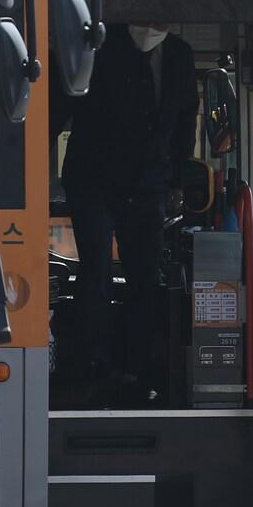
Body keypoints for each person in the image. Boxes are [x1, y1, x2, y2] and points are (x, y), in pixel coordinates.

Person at [59, 22, 196, 403]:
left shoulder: (180, 56)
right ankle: (95, 365)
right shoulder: (102, 44)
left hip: (149, 180)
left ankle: (136, 366)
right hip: (94, 176)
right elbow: (69, 103)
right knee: (95, 271)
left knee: (145, 276)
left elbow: (185, 118)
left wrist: (176, 180)